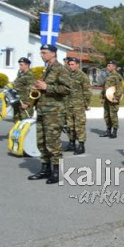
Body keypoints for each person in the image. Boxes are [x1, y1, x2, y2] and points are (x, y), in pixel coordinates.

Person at [27, 44, 71, 184]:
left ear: (53, 54)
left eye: (44, 53)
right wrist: (37, 87)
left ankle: (57, 172)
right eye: (41, 53)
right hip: (42, 110)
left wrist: (47, 87)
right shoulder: (46, 69)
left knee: (53, 142)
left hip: (54, 113)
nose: (42, 55)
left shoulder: (61, 69)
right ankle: (45, 169)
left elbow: (67, 89)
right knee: (42, 141)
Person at [64, 57, 91, 154]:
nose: (70, 66)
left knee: (79, 125)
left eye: (72, 64)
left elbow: (87, 91)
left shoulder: (82, 76)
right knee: (70, 125)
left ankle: (81, 145)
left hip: (78, 105)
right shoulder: (67, 75)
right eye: (69, 64)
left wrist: (86, 104)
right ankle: (71, 143)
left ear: (77, 65)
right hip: (68, 104)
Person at [100, 60, 123, 138]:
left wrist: (116, 98)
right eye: (107, 65)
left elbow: (119, 88)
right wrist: (102, 97)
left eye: (109, 66)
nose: (107, 67)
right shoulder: (108, 76)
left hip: (113, 98)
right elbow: (104, 88)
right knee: (106, 115)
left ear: (114, 67)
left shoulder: (117, 76)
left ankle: (114, 131)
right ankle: (108, 130)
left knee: (113, 115)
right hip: (107, 98)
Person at [12, 57, 35, 121]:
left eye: (21, 65)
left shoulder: (30, 76)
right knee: (16, 123)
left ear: (27, 65)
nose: (19, 66)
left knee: (24, 124)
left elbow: (33, 91)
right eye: (19, 64)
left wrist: (27, 103)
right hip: (18, 102)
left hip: (24, 104)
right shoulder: (20, 75)